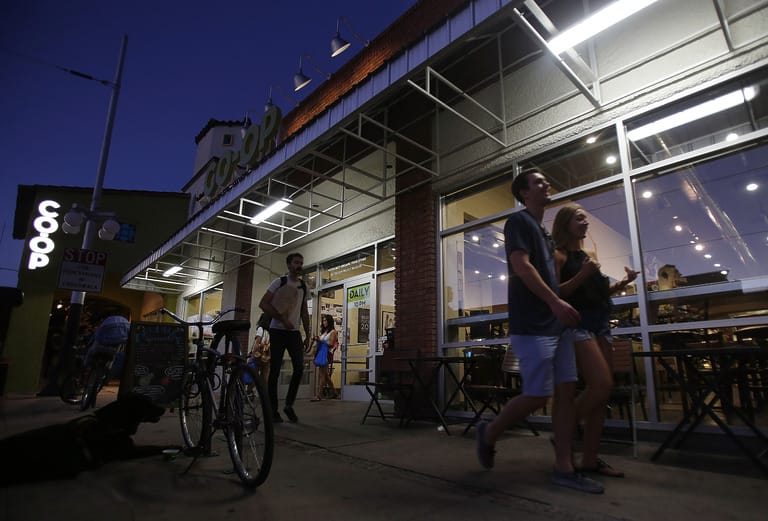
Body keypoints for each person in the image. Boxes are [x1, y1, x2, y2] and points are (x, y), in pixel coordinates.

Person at [474, 169, 604, 494]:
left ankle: (564, 468)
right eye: (538, 182)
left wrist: (560, 304)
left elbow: (553, 281)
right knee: (538, 395)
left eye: (546, 180)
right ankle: (490, 432)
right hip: (532, 324)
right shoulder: (518, 222)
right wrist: (555, 302)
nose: (546, 184)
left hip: (558, 327)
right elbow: (521, 265)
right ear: (524, 193)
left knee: (566, 393)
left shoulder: (545, 234)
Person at [552, 203, 639, 478]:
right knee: (601, 385)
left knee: (601, 396)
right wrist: (583, 274)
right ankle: (563, 433)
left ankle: (590, 459)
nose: (586, 222)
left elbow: (598, 292)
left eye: (585, 217)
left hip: (602, 325)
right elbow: (555, 294)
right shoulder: (558, 255)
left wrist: (623, 283)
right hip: (579, 325)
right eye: (580, 218)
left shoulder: (589, 254)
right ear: (566, 223)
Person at [259, 253, 312, 423]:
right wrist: (282, 319)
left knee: (299, 368)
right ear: (289, 264)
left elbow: (304, 312)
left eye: (301, 263)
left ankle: (289, 405)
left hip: (294, 332)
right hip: (277, 331)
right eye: (296, 262)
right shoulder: (279, 282)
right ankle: (273, 410)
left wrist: (308, 334)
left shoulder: (303, 287)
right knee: (274, 371)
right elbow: (263, 304)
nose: (299, 265)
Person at [311, 314, 338, 401]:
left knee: (322, 375)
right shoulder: (324, 331)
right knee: (325, 375)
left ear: (329, 321)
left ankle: (319, 395)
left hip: (326, 353)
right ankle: (334, 392)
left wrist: (320, 341)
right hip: (321, 353)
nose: (324, 322)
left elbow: (331, 344)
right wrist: (317, 339)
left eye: (325, 320)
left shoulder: (333, 332)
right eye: (323, 320)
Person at [248, 313, 271, 384]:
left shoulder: (261, 329)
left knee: (254, 375)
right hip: (266, 356)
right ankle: (263, 390)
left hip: (258, 355)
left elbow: (257, 344)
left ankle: (249, 390)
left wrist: (251, 357)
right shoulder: (270, 331)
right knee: (264, 376)